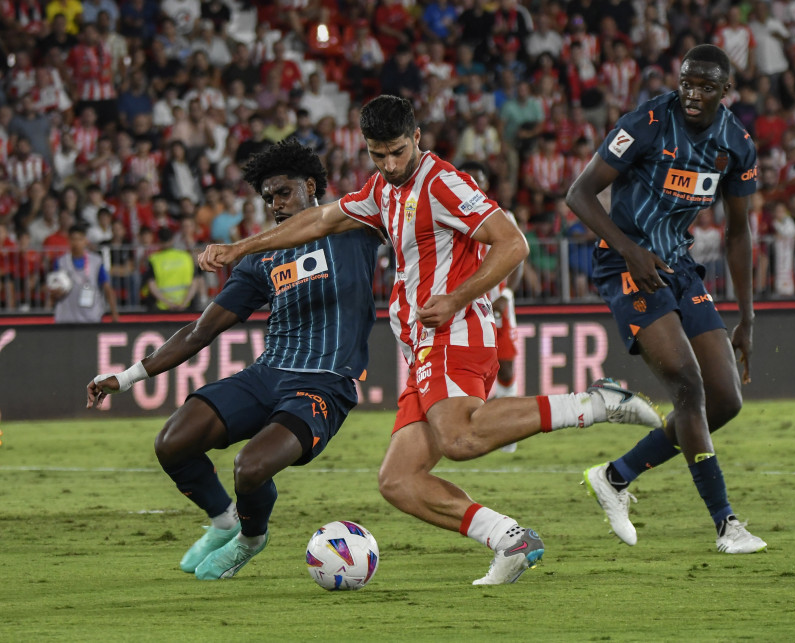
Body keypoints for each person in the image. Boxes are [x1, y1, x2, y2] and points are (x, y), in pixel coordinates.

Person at [198, 95, 665, 585]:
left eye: (398, 152)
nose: (390, 164)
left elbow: (513, 243)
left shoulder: (442, 183)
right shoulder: (382, 190)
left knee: (460, 437)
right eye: (378, 155)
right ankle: (510, 539)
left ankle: (595, 403)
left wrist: (455, 297)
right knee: (399, 481)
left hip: (453, 331)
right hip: (419, 346)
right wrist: (240, 248)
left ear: (417, 138)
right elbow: (318, 220)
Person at [86, 141, 381, 580]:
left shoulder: (354, 225)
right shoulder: (262, 257)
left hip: (322, 383)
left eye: (283, 193)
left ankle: (249, 538)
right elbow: (201, 330)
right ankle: (224, 520)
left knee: (251, 466)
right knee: (172, 441)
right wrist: (127, 376)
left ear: (311, 186)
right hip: (267, 373)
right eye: (268, 198)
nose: (275, 205)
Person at [565, 45, 767, 555]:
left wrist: (746, 315)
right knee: (688, 386)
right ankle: (727, 524)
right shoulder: (649, 122)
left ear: (726, 92)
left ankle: (616, 475)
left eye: (705, 86)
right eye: (686, 82)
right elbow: (580, 194)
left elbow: (739, 234)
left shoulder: (736, 144)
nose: (693, 93)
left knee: (725, 398)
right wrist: (629, 250)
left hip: (676, 265)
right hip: (626, 264)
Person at [459, 160, 523, 453]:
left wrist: (507, 293)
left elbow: (519, 257)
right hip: (465, 305)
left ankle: (508, 433)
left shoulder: (502, 216)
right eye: (469, 179)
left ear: (485, 184)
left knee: (506, 366)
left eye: (480, 179)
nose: (475, 184)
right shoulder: (450, 217)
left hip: (496, 304)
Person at [50, 222, 119, 323]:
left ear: (85, 241)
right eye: (73, 239)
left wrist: (114, 314)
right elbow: (53, 289)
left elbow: (107, 288)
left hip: (91, 318)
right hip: (66, 318)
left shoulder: (96, 261)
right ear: (68, 240)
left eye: (80, 239)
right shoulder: (60, 262)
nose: (76, 243)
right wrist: (56, 292)